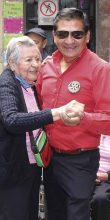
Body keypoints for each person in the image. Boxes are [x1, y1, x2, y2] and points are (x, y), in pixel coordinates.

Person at [36, 8, 110, 220]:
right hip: (50, 157)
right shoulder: (46, 67)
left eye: (77, 34)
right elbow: (37, 106)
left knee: (76, 216)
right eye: (62, 34)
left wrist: (85, 118)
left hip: (80, 161)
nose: (69, 40)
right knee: (53, 213)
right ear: (54, 36)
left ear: (87, 36)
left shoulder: (101, 69)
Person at [0, 36, 83, 220]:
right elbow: (12, 120)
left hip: (33, 165)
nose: (35, 65)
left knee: (31, 213)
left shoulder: (29, 84)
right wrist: (55, 113)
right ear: (12, 63)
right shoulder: (6, 83)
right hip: (13, 170)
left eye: (37, 59)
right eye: (28, 60)